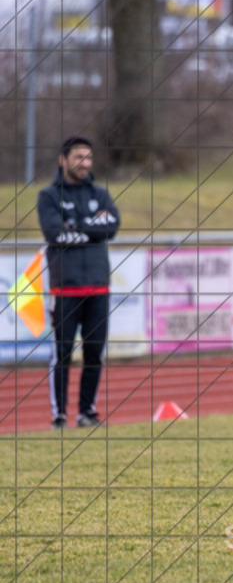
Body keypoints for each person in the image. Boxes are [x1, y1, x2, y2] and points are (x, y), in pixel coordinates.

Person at [37, 136, 121, 429]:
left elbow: (112, 227)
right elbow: (54, 234)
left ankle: (87, 412)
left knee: (94, 353)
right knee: (62, 354)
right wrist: (92, 227)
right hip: (65, 288)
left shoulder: (100, 193)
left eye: (88, 157)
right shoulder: (49, 196)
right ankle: (59, 416)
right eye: (78, 158)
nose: (85, 163)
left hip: (98, 286)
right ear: (63, 160)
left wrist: (75, 226)